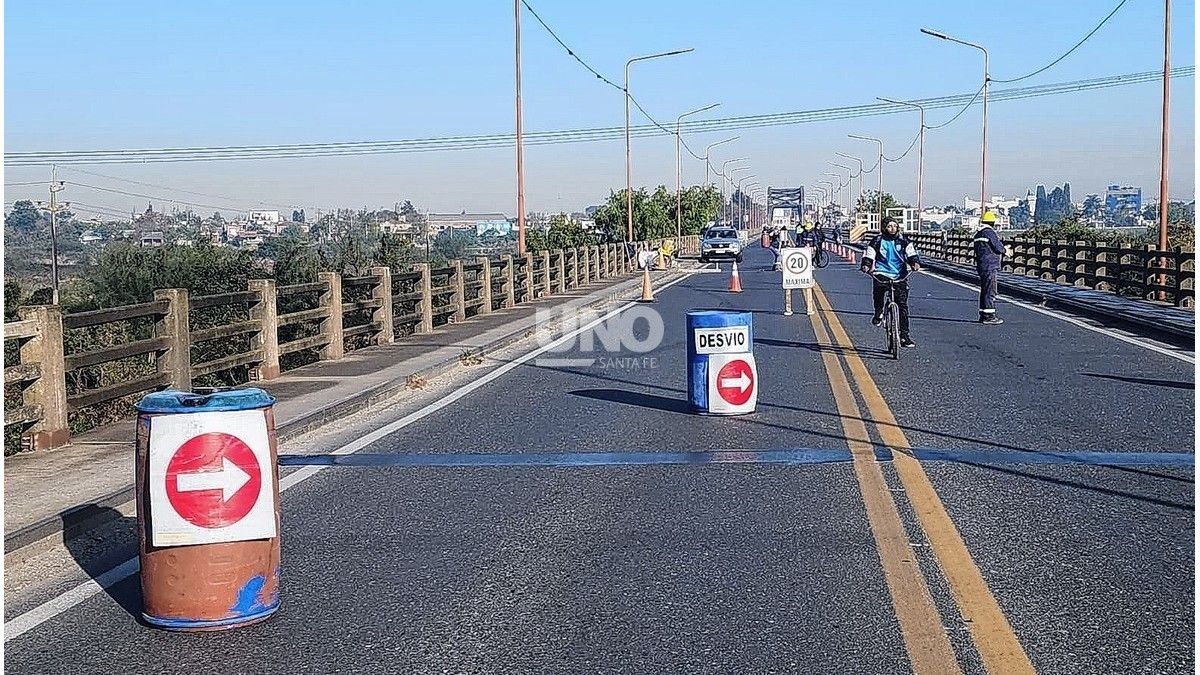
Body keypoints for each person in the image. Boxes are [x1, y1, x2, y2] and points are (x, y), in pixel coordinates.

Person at [860, 216, 921, 348]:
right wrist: (866, 265)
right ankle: (878, 311)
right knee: (878, 291)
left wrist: (915, 263)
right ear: (884, 228)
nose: (892, 228)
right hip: (881, 273)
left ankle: (904, 336)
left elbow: (911, 254)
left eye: (895, 226)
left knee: (903, 306)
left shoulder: (904, 240)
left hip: (900, 274)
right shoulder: (877, 240)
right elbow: (869, 255)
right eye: (889, 226)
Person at [973, 210, 1007, 325]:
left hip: (982, 265)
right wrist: (1006, 250)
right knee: (990, 290)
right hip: (990, 265)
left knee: (984, 290)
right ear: (992, 222)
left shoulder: (978, 234)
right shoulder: (989, 232)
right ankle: (989, 316)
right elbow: (998, 247)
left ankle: (983, 314)